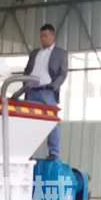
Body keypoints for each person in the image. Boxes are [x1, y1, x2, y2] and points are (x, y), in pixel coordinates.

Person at [23, 24, 68, 161]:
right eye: (41, 36)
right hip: (32, 91)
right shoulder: (34, 53)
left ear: (53, 36)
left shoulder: (61, 53)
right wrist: (25, 85)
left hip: (47, 91)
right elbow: (27, 70)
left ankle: (53, 152)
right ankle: (27, 152)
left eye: (45, 36)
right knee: (28, 122)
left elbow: (63, 73)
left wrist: (54, 86)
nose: (43, 39)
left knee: (52, 122)